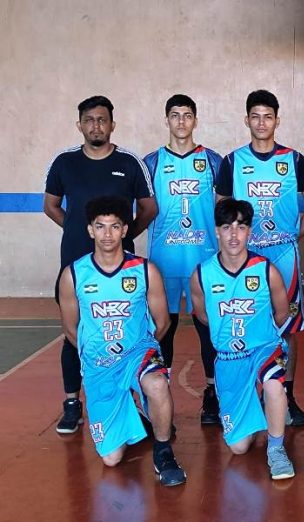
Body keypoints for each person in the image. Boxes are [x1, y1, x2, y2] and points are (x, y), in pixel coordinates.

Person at [44, 95, 157, 434]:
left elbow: (149, 209)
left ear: (112, 125)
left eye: (102, 119)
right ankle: (71, 403)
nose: (96, 125)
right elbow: (51, 206)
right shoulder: (64, 162)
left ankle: (129, 399)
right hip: (76, 263)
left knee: (125, 329)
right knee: (74, 332)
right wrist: (79, 231)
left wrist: (123, 236)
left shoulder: (130, 162)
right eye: (89, 120)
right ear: (80, 125)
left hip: (121, 269)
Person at [57, 196, 185, 486]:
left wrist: (141, 347)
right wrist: (96, 355)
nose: (107, 234)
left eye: (114, 226)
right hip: (99, 364)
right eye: (100, 226)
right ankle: (136, 416)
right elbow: (70, 329)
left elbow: (163, 322)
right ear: (90, 230)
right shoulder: (73, 275)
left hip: (137, 354)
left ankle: (164, 452)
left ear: (125, 230)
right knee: (112, 459)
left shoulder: (145, 270)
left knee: (157, 383)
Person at [216, 90, 304, 427]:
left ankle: (288, 394)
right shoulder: (232, 162)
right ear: (247, 120)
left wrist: (291, 237)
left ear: (276, 121)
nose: (261, 123)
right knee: (250, 321)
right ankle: (253, 395)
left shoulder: (295, 161)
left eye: (267, 117)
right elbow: (222, 210)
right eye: (255, 117)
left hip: (284, 252)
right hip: (248, 255)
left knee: (288, 327)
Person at [189, 198, 295, 480]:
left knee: (274, 383)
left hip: (263, 348)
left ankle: (276, 448)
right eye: (227, 227)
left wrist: (261, 335)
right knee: (239, 447)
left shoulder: (266, 270)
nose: (234, 235)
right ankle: (261, 408)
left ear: (249, 231)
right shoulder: (201, 275)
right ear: (217, 231)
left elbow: (282, 312)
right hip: (228, 358)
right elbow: (203, 315)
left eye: (241, 227)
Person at [144, 94, 223, 425]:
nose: (181, 121)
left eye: (187, 115)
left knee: (208, 329)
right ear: (167, 120)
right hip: (163, 263)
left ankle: (212, 393)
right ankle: (159, 398)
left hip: (203, 261)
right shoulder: (151, 163)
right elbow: (143, 209)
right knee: (164, 329)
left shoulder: (213, 161)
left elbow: (224, 211)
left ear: (195, 120)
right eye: (175, 115)